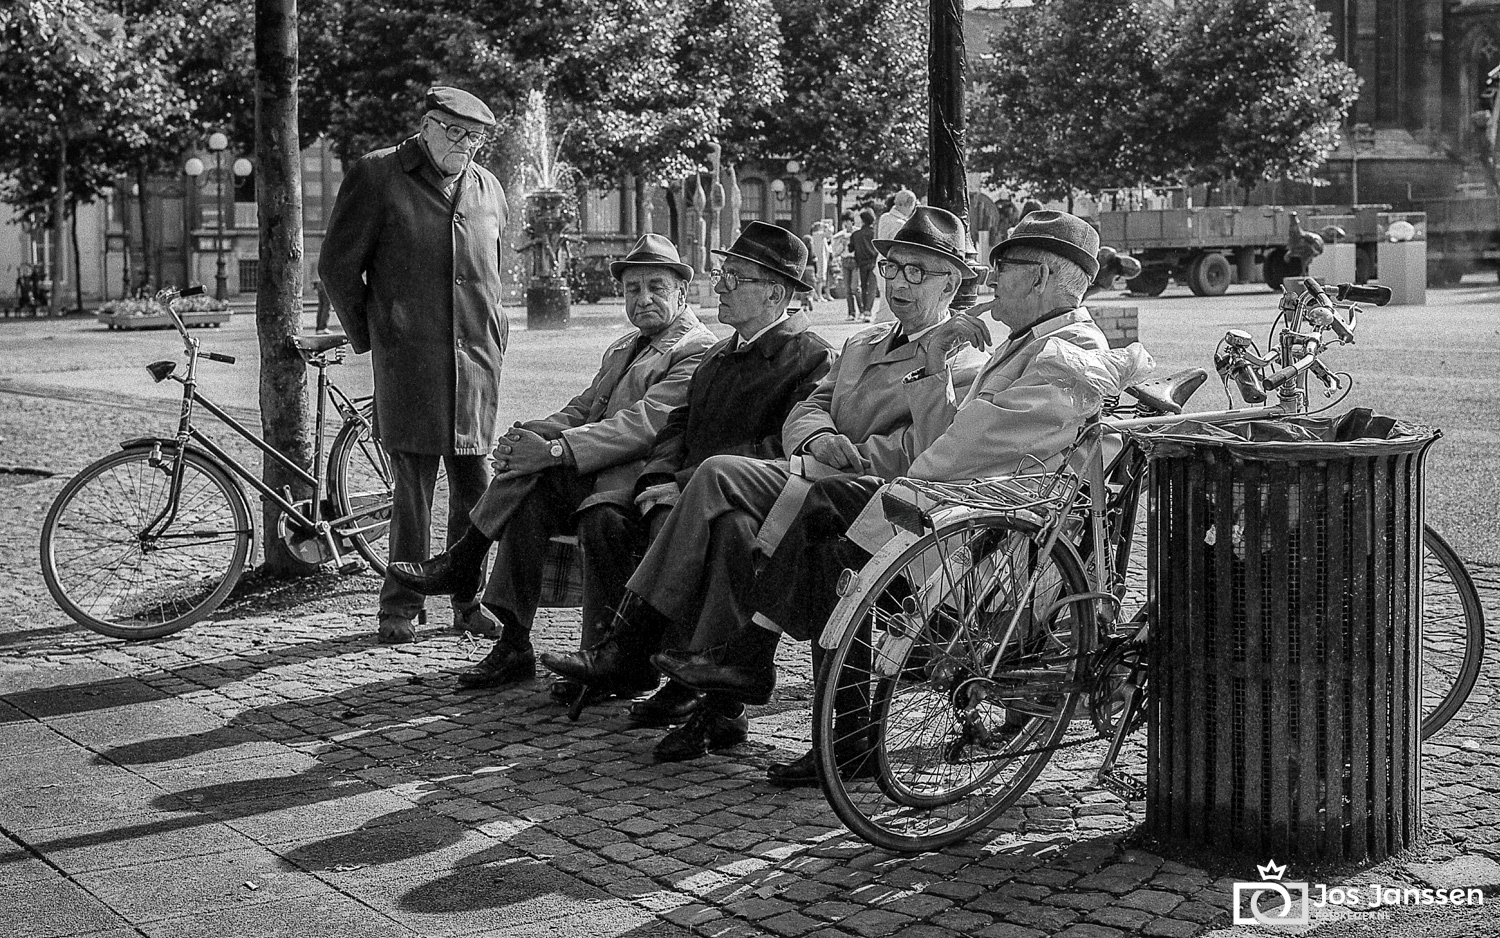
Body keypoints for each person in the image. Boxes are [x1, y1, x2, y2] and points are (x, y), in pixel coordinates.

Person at [660, 210, 1115, 786]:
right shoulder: (1028, 342)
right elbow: (949, 442)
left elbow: (965, 448)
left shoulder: (1066, 352)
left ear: (1043, 278)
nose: (991, 279)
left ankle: (751, 667)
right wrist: (930, 367)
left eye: (1002, 267)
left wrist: (897, 479)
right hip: (958, 513)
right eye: (891, 268)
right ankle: (821, 720)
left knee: (822, 516)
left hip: (988, 539)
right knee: (820, 533)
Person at [541, 206, 989, 764]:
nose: (898, 283)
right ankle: (719, 696)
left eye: (916, 272)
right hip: (811, 476)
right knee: (725, 522)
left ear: (952, 282)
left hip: (872, 496)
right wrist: (817, 437)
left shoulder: (966, 357)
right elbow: (808, 408)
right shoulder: (862, 343)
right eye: (892, 268)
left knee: (716, 475)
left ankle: (635, 647)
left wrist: (914, 382)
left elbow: (929, 450)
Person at [390, 226, 836, 714]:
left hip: (679, 480)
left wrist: (572, 455)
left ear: (775, 292)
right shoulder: (680, 350)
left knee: (606, 515)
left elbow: (655, 426)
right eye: (631, 290)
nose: (722, 286)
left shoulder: (737, 350)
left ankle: (655, 668)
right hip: (658, 476)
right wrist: (535, 437)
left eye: (656, 288)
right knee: (531, 490)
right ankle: (515, 634)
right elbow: (631, 419)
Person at [318, 86, 510, 644]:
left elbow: (492, 276)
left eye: (475, 136)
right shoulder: (378, 175)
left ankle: (466, 600)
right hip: (413, 363)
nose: (465, 144)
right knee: (412, 489)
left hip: (476, 363)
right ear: (426, 125)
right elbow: (336, 266)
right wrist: (374, 337)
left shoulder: (488, 188)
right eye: (453, 131)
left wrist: (496, 337)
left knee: (476, 485)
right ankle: (398, 607)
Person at [871, 189, 917, 322]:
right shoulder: (900, 224)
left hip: (883, 264)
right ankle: (878, 335)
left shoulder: (885, 217)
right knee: (889, 306)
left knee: (887, 302)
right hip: (892, 268)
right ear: (906, 205)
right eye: (912, 206)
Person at [849, 208, 879, 322]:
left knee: (863, 287)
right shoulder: (875, 233)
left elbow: (850, 248)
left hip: (861, 263)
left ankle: (862, 310)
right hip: (873, 262)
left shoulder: (856, 234)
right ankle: (868, 311)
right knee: (872, 288)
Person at [830, 213, 858, 320]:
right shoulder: (840, 235)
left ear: (852, 222)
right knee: (847, 289)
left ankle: (863, 310)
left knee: (855, 287)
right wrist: (842, 244)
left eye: (848, 221)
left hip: (855, 260)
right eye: (844, 222)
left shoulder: (857, 232)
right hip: (845, 260)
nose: (846, 224)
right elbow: (835, 252)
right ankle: (851, 313)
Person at [809, 220, 833, 300]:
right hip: (820, 258)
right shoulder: (818, 234)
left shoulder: (816, 235)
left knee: (820, 277)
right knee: (820, 276)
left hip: (820, 258)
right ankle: (819, 295)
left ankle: (817, 295)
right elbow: (829, 233)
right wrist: (827, 226)